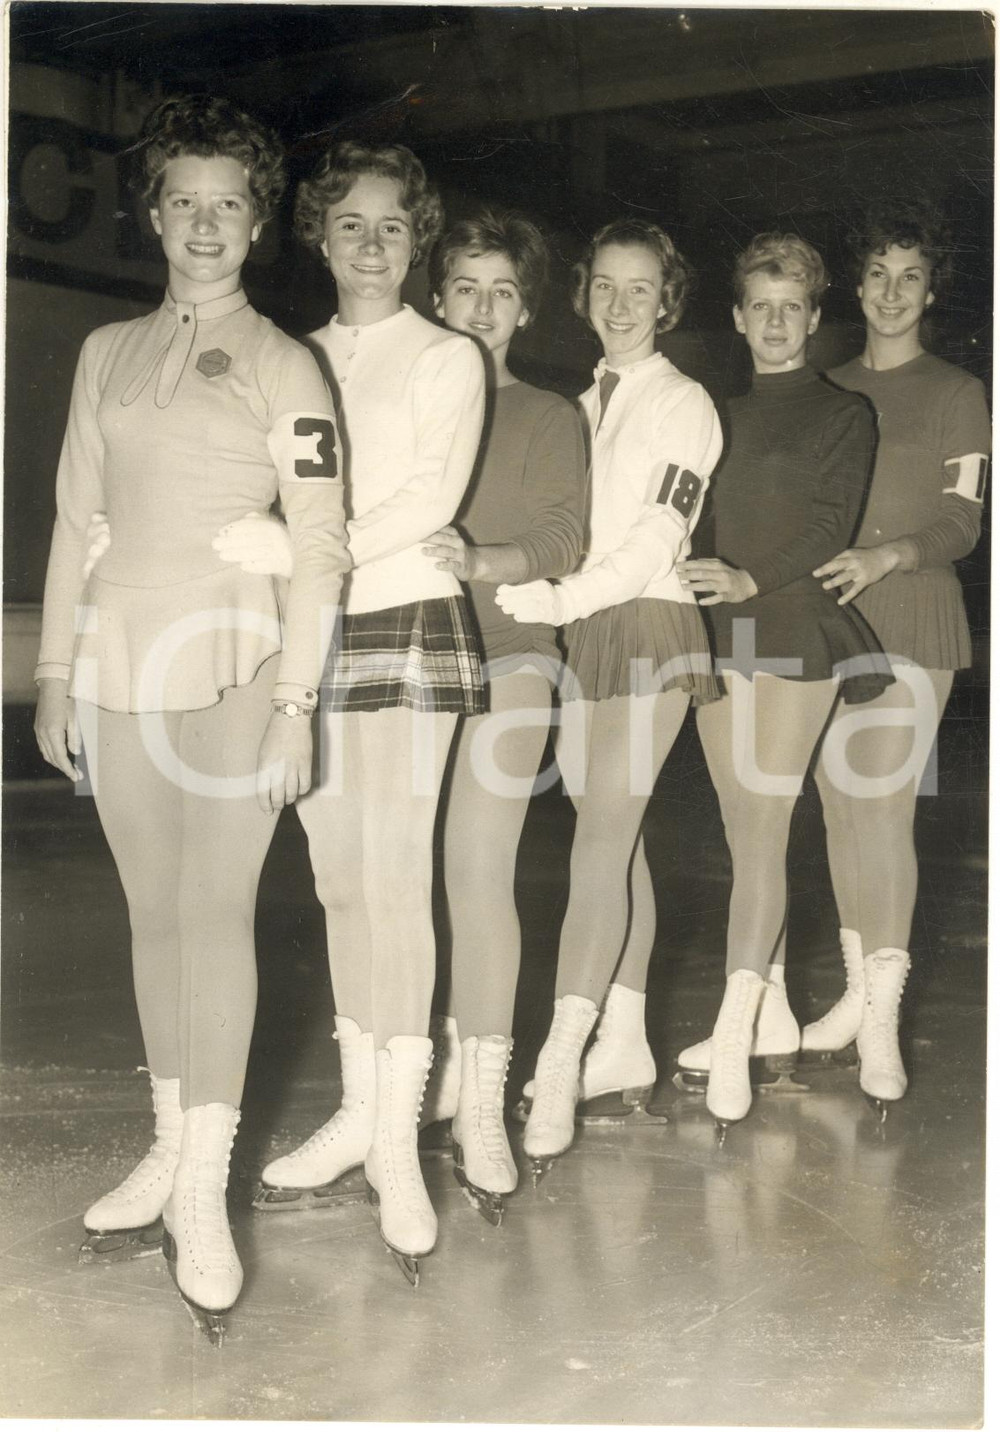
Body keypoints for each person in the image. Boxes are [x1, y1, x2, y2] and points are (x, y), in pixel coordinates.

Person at [33, 95, 349, 1340]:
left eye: (230, 204)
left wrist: (295, 706)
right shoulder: (103, 352)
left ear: (258, 221)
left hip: (234, 663)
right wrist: (58, 669)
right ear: (152, 213)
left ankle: (206, 1194)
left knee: (214, 918)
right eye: (184, 201)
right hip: (118, 665)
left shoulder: (288, 362)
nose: (205, 224)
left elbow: (320, 544)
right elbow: (72, 520)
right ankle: (172, 1145)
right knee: (151, 917)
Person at [227, 142, 485, 1284]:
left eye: (391, 225)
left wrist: (296, 552)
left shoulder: (448, 355)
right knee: (336, 878)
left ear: (415, 238)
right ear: (317, 238)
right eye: (348, 225)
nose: (370, 244)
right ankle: (355, 1111)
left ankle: (399, 1140)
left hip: (405, 618)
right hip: (318, 632)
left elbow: (424, 501)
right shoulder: (291, 359)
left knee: (396, 874)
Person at [496, 218, 723, 1176]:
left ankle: (559, 1058)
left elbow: (653, 543)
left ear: (667, 301)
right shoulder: (579, 401)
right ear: (584, 294)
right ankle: (623, 1037)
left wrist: (562, 596)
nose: (623, 304)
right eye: (607, 287)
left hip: (650, 623)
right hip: (586, 629)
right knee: (610, 835)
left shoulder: (687, 403)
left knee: (599, 837)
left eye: (643, 289)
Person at [673, 233, 892, 1138]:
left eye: (791, 305)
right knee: (741, 828)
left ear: (813, 316)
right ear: (736, 316)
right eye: (759, 304)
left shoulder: (845, 414)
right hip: (721, 628)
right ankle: (767, 1015)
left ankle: (732, 1033)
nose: (774, 320)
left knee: (763, 824)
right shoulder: (715, 413)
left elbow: (830, 527)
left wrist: (747, 580)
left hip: (795, 628)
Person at [803, 202, 990, 1114]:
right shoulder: (823, 383)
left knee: (879, 811)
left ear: (932, 288)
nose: (890, 291)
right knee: (841, 812)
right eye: (877, 272)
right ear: (856, 282)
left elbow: (965, 518)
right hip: (832, 623)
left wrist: (890, 554)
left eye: (909, 275)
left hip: (914, 613)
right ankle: (855, 998)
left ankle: (885, 1020)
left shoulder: (959, 392)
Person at [420, 209, 586, 1221]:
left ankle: (483, 1102)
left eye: (501, 291)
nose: (482, 308)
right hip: (404, 659)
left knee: (477, 870)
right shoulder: (396, 401)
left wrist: (486, 562)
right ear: (435, 298)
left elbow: (564, 532)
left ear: (523, 310)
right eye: (465, 288)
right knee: (397, 881)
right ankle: (410, 1080)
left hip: (514, 653)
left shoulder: (548, 416)